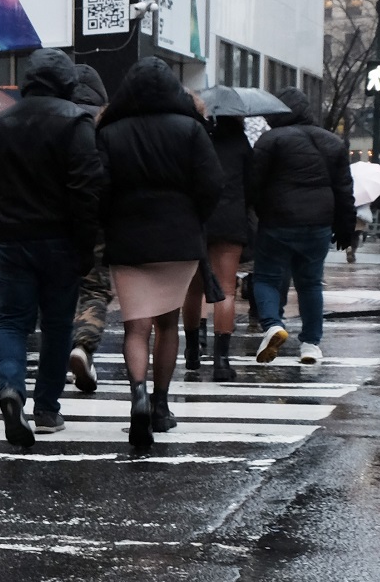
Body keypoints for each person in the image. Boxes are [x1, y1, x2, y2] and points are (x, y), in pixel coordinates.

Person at [0, 49, 105, 445]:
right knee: (58, 324)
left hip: (12, 240)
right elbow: (86, 189)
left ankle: (11, 390)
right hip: (61, 240)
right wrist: (84, 245)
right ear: (67, 82)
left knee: (11, 321)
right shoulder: (76, 121)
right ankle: (47, 408)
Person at [96, 59, 221, 456]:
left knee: (136, 328)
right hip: (179, 236)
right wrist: (193, 215)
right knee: (169, 325)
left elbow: (98, 186)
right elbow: (212, 183)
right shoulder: (190, 129)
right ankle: (162, 405)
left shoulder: (110, 131)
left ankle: (138, 395)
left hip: (128, 236)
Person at [247, 87, 354, 364]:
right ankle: (310, 344)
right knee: (310, 283)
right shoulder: (333, 142)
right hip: (318, 224)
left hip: (277, 222)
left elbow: (253, 185)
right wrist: (346, 227)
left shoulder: (270, 140)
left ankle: (272, 324)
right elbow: (344, 190)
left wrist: (257, 213)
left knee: (267, 277)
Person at [183, 112, 253, 380]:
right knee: (226, 290)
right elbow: (251, 185)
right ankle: (221, 362)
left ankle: (191, 352)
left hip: (198, 220)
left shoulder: (197, 138)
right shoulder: (240, 142)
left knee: (193, 290)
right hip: (230, 220)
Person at [64, 64, 111, 395]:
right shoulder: (107, 125)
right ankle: (83, 345)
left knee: (58, 293)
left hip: (55, 220)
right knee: (94, 290)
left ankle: (61, 359)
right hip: (96, 219)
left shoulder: (55, 118)